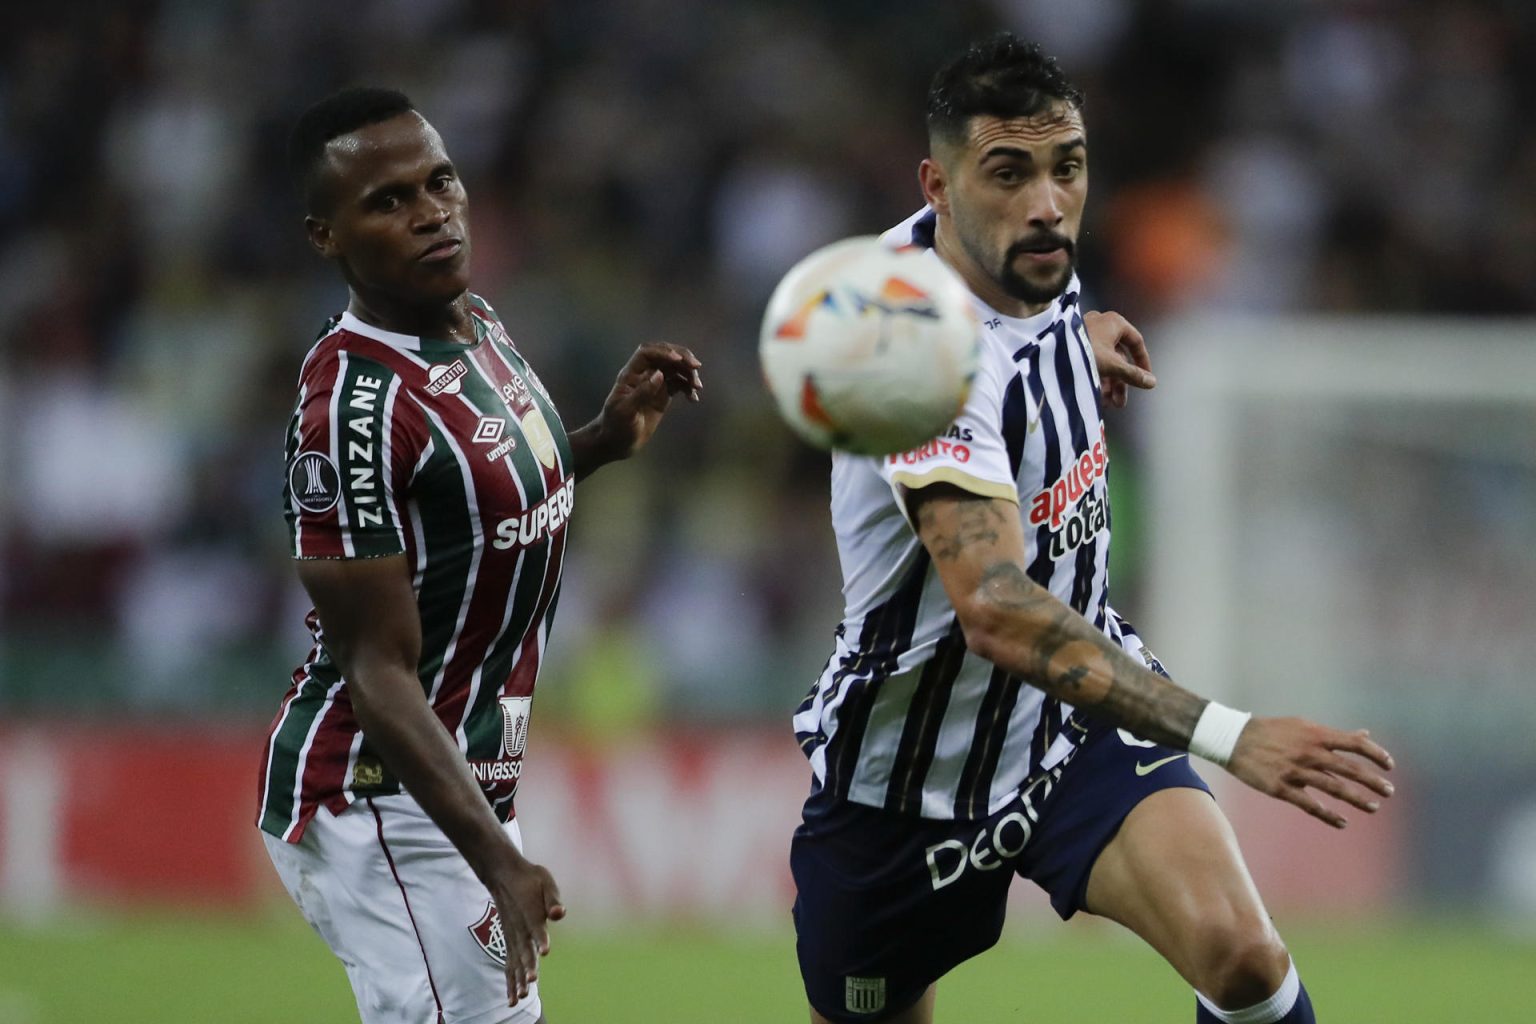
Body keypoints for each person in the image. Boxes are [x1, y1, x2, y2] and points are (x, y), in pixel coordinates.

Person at [789, 34, 1394, 1024]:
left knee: (1242, 957)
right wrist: (1230, 736)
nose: (1045, 201)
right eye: (1009, 172)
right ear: (936, 184)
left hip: (1071, 725)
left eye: (1066, 167)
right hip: (904, 780)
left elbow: (1013, 338)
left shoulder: (1027, 255)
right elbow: (994, 608)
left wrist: (1075, 337)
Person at [254, 87, 702, 1024]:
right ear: (323, 236)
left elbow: (470, 505)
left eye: (439, 181)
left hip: (460, 782)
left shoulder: (475, 324)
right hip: (380, 797)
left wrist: (599, 441)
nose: (429, 213)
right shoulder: (351, 408)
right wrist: (495, 858)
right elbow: (375, 667)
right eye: (386, 201)